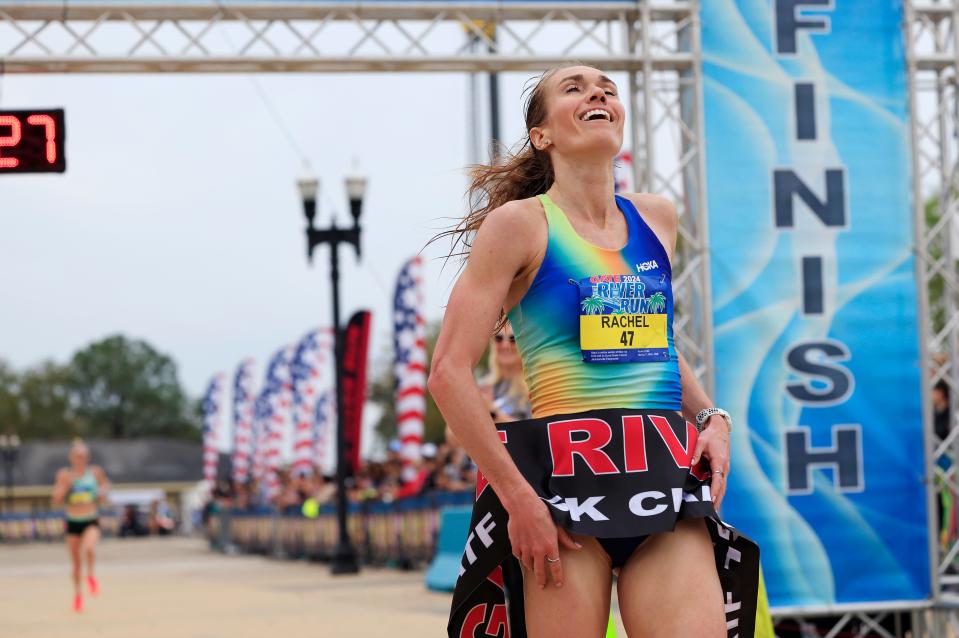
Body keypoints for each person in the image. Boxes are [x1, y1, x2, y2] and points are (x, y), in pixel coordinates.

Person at [428, 65, 757, 637]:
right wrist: (518, 498)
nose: (598, 92)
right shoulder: (520, 225)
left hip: (660, 478)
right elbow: (448, 373)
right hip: (564, 493)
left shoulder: (655, 218)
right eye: (574, 88)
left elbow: (653, 342)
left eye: (606, 86)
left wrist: (710, 416)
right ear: (542, 135)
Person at [52, 439, 111, 612]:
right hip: (73, 520)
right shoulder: (64, 475)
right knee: (76, 564)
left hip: (90, 518)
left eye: (83, 456)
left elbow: (106, 486)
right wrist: (66, 487)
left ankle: (91, 575)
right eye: (77, 456)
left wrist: (102, 493)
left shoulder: (95, 472)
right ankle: (78, 595)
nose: (80, 459)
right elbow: (55, 500)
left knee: (89, 548)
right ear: (71, 458)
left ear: (88, 457)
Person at [479, 320, 532, 422]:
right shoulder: (483, 386)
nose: (505, 345)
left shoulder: (534, 388)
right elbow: (452, 436)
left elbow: (535, 432)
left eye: (513, 339)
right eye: (499, 338)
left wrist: (492, 412)